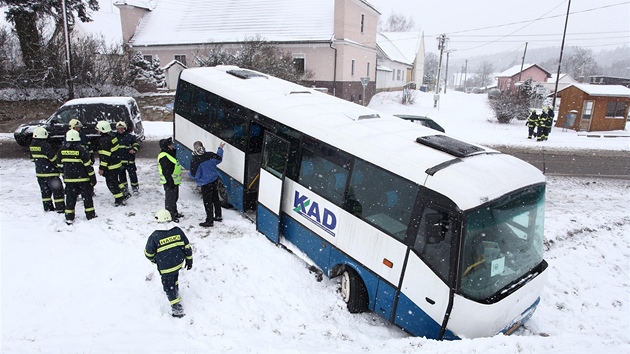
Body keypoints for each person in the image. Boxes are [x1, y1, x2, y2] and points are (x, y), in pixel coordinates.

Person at [144, 209, 193, 318]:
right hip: (177, 263)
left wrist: (154, 260)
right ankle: (175, 291)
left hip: (165, 267)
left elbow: (148, 253)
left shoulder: (155, 236)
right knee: (174, 278)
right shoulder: (178, 231)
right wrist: (189, 260)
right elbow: (187, 246)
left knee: (168, 285)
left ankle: (176, 308)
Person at [57, 129, 97, 225]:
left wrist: (65, 176)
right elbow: (88, 166)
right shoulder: (82, 150)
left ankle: (69, 217)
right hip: (83, 179)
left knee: (70, 199)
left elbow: (59, 165)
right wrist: (93, 179)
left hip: (69, 180)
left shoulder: (61, 151)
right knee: (87, 198)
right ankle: (90, 215)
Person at [189, 141, 225, 227]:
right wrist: (220, 148)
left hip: (205, 184)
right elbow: (219, 158)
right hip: (214, 180)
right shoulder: (210, 155)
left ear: (195, 148)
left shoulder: (196, 160)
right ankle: (218, 215)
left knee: (207, 202)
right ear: (203, 146)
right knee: (215, 199)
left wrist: (190, 174)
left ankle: (209, 220)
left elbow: (195, 175)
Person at [29, 127, 65, 213]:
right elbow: (53, 159)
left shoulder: (31, 146)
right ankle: (60, 208)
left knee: (45, 192)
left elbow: (32, 159)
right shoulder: (46, 146)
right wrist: (59, 167)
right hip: (51, 173)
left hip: (40, 174)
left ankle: (48, 208)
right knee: (57, 191)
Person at [96, 121, 129, 206]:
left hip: (111, 166)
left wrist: (102, 168)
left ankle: (119, 199)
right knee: (115, 180)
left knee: (111, 184)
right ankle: (124, 192)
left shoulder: (104, 140)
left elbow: (105, 156)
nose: (97, 131)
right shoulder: (112, 137)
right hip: (116, 164)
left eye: (98, 129)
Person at [158, 137, 183, 222]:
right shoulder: (164, 156)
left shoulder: (169, 154)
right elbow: (166, 172)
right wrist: (170, 182)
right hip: (169, 182)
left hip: (173, 182)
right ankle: (170, 216)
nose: (172, 146)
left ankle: (174, 213)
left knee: (174, 198)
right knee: (170, 200)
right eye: (170, 144)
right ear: (167, 146)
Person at [115, 121, 140, 195]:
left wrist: (134, 150)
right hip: (120, 161)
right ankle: (124, 187)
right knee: (121, 176)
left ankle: (135, 188)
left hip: (129, 161)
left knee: (132, 175)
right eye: (119, 129)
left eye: (122, 128)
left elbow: (137, 145)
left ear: (124, 128)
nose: (120, 130)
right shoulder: (115, 137)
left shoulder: (130, 137)